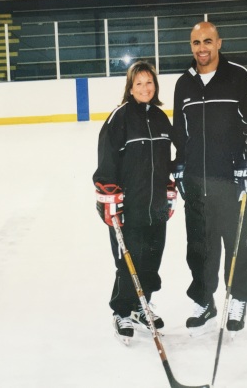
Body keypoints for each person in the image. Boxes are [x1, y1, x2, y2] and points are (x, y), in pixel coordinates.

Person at [172, 22, 247, 336]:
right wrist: (180, 165)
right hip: (198, 181)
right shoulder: (183, 84)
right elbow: (180, 134)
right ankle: (203, 301)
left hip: (233, 179)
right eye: (196, 42)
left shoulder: (239, 77)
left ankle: (238, 298)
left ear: (219, 43)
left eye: (208, 41)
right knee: (199, 245)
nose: (202, 48)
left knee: (238, 242)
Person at [93, 60, 177, 344]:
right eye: (139, 83)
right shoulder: (119, 117)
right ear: (130, 87)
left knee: (152, 257)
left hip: (155, 205)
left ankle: (143, 305)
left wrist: (168, 186)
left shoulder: (161, 117)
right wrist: (109, 196)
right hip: (128, 205)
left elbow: (164, 160)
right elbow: (106, 160)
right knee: (128, 259)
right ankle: (121, 311)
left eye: (149, 82)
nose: (145, 87)